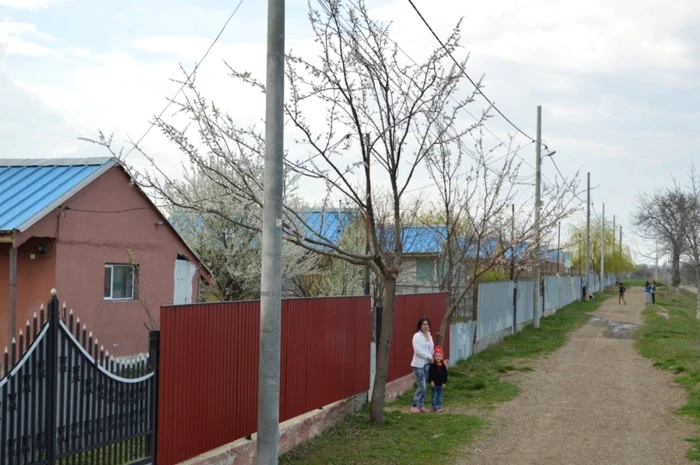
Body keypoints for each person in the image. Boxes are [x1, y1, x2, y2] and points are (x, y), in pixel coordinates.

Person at [410, 317, 434, 413]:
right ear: (420, 325)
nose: (425, 326)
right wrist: (429, 356)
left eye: (427, 324)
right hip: (418, 365)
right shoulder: (417, 336)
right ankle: (414, 405)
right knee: (422, 386)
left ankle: (421, 406)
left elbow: (431, 349)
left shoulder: (429, 335)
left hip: (427, 364)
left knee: (425, 386)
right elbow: (418, 350)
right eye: (423, 324)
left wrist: (434, 357)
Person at [429, 345, 448, 413]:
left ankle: (439, 406)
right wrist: (431, 381)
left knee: (440, 395)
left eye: (439, 356)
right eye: (436, 356)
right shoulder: (433, 365)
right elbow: (430, 374)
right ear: (434, 356)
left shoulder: (443, 366)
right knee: (434, 395)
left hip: (441, 384)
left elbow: (445, 375)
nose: (438, 358)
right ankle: (435, 407)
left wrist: (444, 383)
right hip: (434, 384)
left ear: (442, 357)